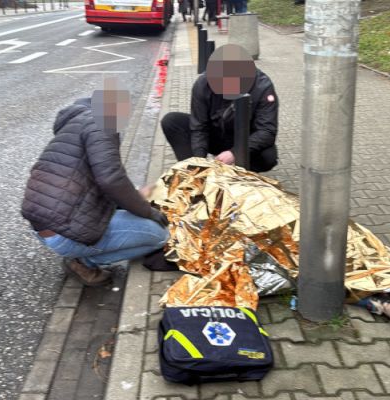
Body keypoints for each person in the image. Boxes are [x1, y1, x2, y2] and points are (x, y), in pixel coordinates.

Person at [21, 80, 170, 287]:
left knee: (131, 210)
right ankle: (84, 263)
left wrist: (135, 196)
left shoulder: (74, 125)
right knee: (160, 234)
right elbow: (111, 179)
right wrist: (148, 212)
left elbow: (97, 181)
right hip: (65, 234)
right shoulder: (103, 123)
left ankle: (79, 253)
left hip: (45, 228)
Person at [161, 44, 279, 173]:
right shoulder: (203, 83)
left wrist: (235, 153)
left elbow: (267, 130)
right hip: (215, 134)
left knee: (268, 156)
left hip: (244, 138)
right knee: (171, 121)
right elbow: (199, 127)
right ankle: (193, 172)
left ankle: (239, 174)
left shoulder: (263, 86)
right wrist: (199, 160)